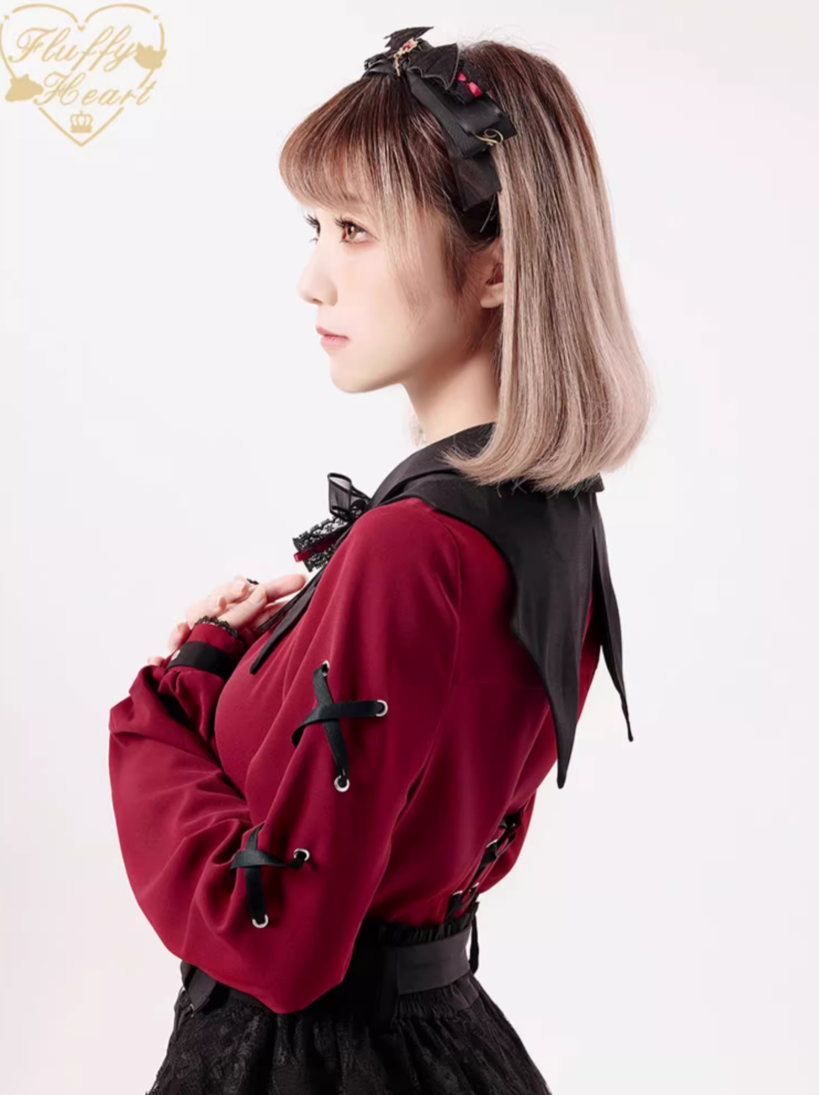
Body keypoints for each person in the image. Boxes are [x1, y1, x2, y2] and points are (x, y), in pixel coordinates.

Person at [108, 26, 654, 1095]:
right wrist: (256, 659)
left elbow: (275, 935)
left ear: (496, 265)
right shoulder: (551, 514)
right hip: (443, 1043)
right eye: (316, 227)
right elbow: (433, 832)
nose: (312, 279)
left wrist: (171, 698)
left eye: (355, 229)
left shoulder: (413, 546)